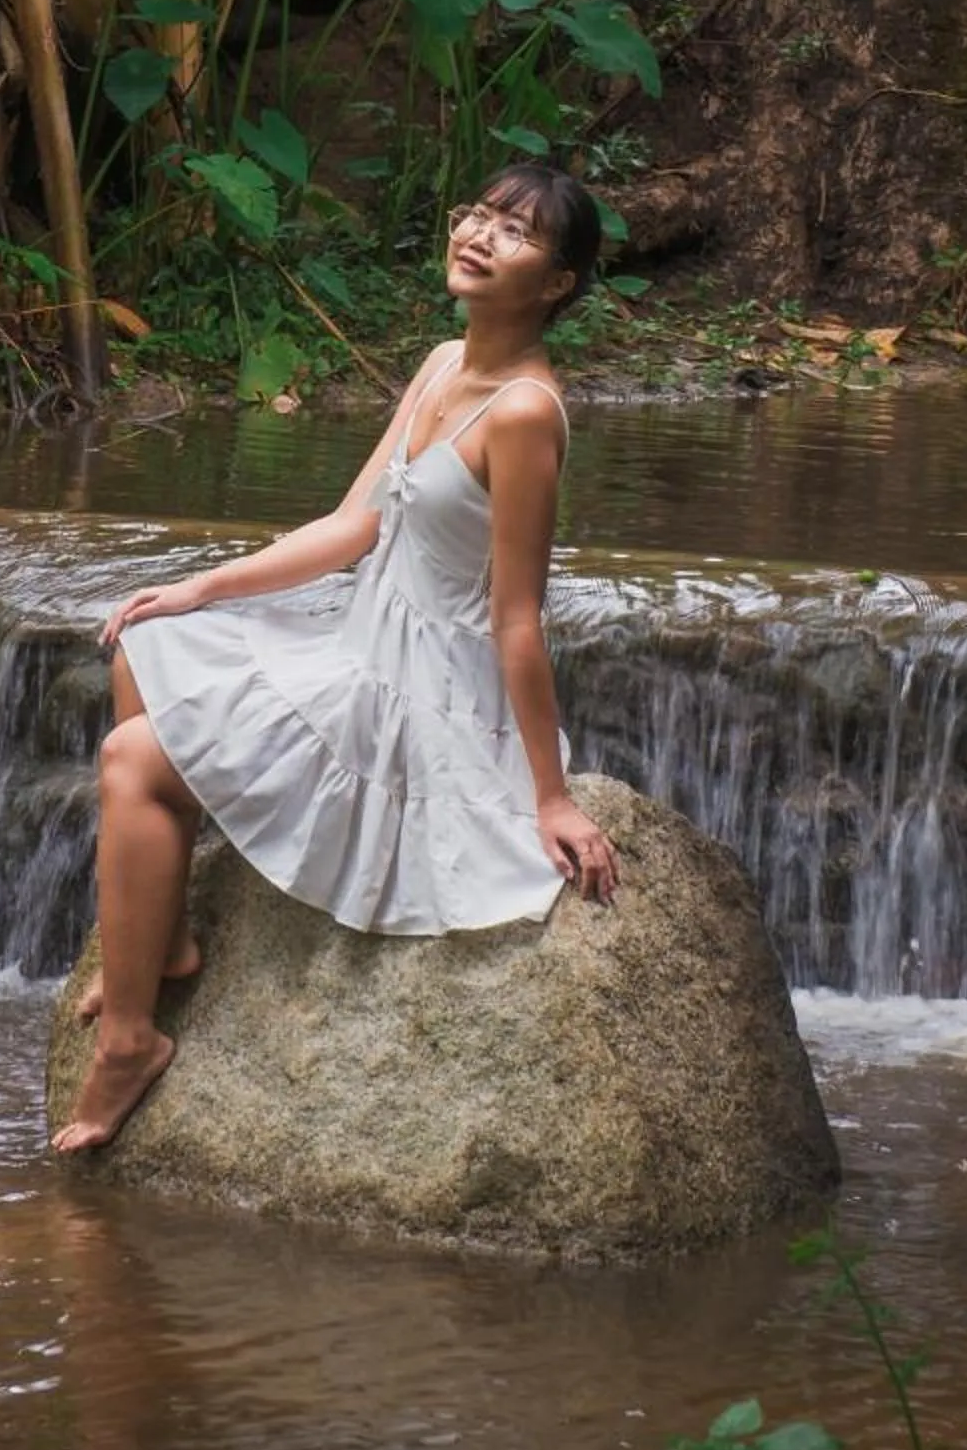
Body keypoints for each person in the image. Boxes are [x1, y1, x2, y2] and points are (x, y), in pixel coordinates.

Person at [54, 159, 621, 1156]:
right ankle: (163, 935)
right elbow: (355, 526)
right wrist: (201, 587)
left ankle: (132, 1041)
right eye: (476, 213)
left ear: (557, 283)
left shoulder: (525, 413)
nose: (478, 236)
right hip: (361, 629)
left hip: (424, 688)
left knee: (129, 761)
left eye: (516, 233)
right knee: (147, 641)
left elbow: (517, 619)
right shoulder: (442, 363)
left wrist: (549, 798)